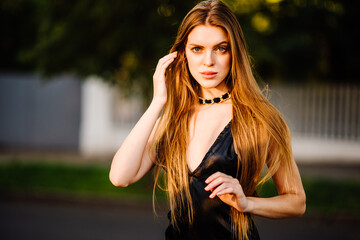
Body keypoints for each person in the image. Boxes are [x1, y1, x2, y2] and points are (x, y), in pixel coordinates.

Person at [109, 1, 306, 239]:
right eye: (197, 49)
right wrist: (158, 102)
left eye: (221, 48)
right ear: (182, 54)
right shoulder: (173, 117)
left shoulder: (260, 118)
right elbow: (120, 177)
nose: (208, 61)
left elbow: (297, 202)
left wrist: (247, 203)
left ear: (235, 52)